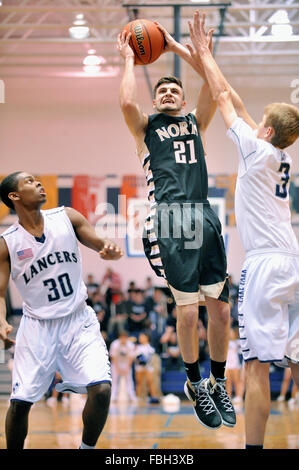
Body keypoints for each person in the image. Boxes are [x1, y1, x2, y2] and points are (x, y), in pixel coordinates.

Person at [187, 11, 299, 448]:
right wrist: (197, 54)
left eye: (259, 121)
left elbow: (221, 95)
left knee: (256, 367)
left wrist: (204, 59)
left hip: (266, 266)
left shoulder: (254, 150)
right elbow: (229, 93)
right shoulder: (279, 155)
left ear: (265, 130)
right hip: (293, 262)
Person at [117, 22, 236, 430]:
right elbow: (126, 103)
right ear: (155, 99)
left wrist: (173, 47)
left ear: (183, 100)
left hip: (203, 214)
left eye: (174, 91)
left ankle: (217, 382)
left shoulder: (195, 124)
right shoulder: (145, 128)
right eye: (162, 91)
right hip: (170, 218)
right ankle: (193, 382)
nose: (168, 93)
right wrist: (130, 60)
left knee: (220, 311)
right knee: (187, 316)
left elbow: (210, 79)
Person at [0, 171, 123, 450]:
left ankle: (86, 448)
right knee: (20, 405)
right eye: (29, 182)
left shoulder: (66, 217)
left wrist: (108, 248)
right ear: (14, 196)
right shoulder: (8, 243)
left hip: (78, 320)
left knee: (102, 390)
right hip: (37, 327)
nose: (38, 183)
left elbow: (98, 241)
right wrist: (1, 320)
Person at [109, 330, 137, 403]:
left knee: (129, 379)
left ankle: (131, 396)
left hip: (126, 363)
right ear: (120, 338)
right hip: (116, 363)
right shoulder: (115, 344)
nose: (124, 339)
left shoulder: (130, 344)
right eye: (122, 338)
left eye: (125, 338)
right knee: (114, 380)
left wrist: (127, 368)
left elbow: (131, 357)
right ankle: (113, 396)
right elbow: (113, 357)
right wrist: (117, 368)